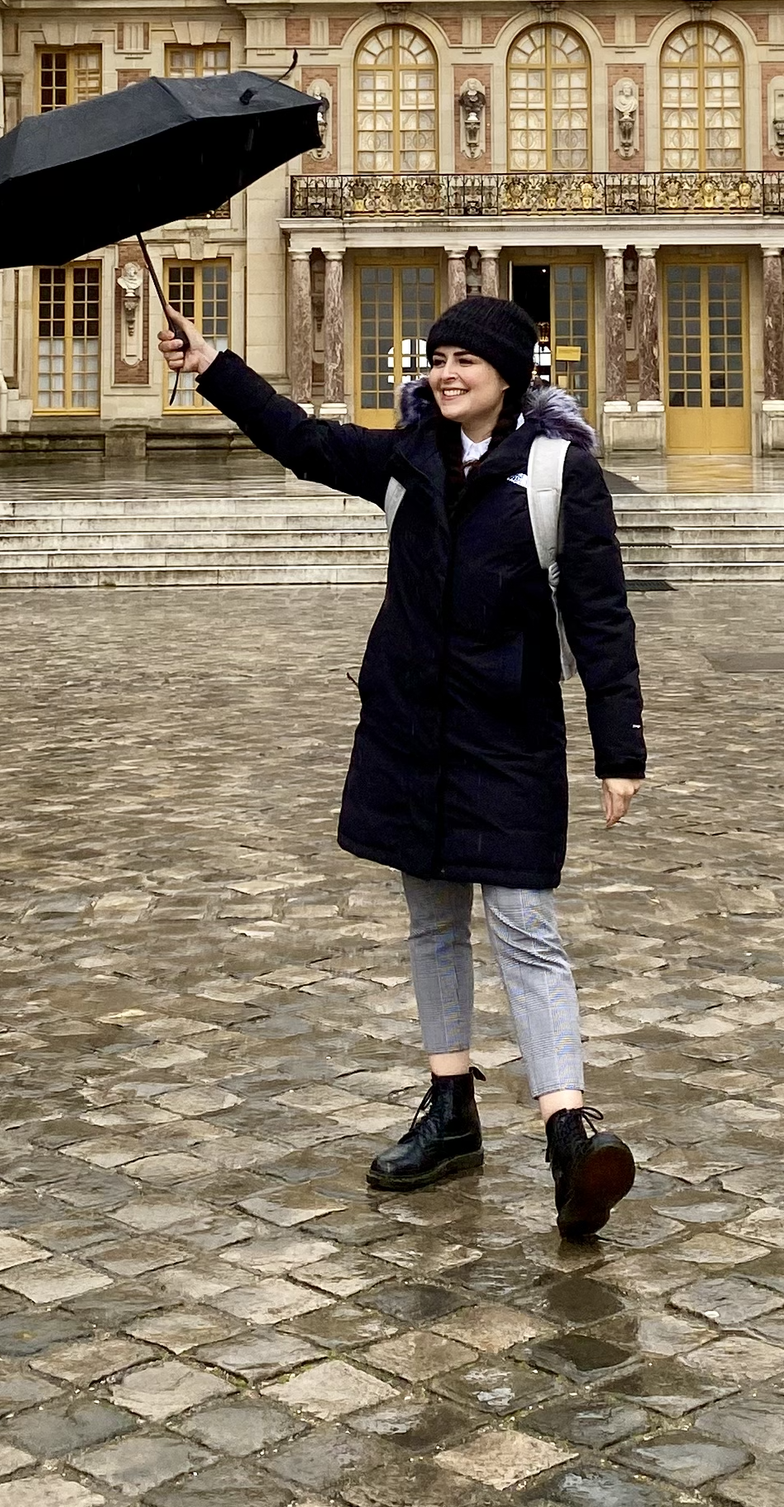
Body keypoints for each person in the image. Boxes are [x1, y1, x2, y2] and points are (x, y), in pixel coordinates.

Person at [156, 286, 646, 1241]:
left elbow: (600, 616)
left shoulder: (557, 472)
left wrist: (618, 749)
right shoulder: (405, 459)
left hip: (509, 734)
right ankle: (451, 1109)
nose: (447, 373)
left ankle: (567, 1128)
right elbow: (298, 438)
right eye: (439, 358)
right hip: (413, 729)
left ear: (509, 373)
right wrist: (211, 364)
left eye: (467, 360)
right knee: (431, 923)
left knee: (525, 925)